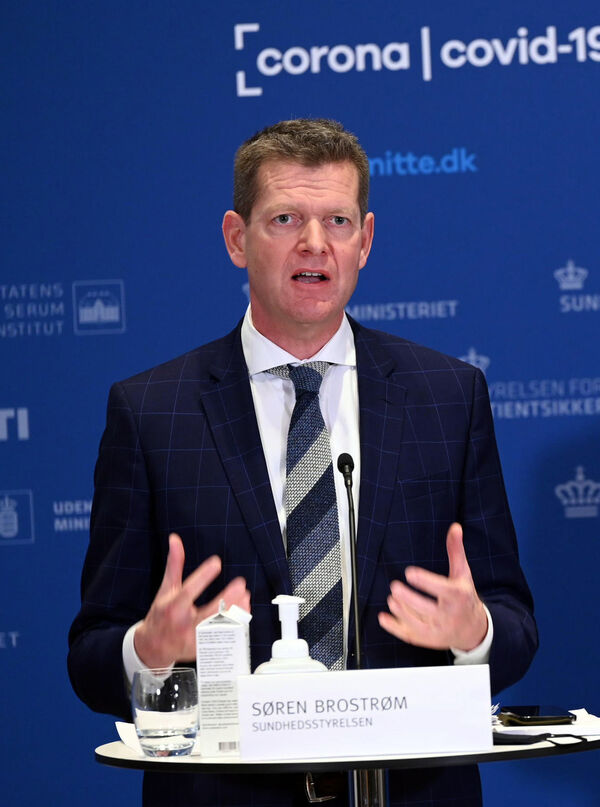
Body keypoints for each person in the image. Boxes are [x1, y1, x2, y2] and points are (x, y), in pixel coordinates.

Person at [67, 118, 537, 806]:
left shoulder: (447, 397)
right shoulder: (152, 412)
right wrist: (149, 648)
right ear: (237, 238)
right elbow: (90, 658)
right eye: (285, 217)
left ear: (365, 240)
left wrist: (475, 636)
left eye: (337, 221)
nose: (314, 244)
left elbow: (515, 625)